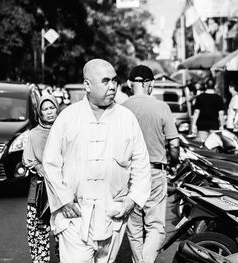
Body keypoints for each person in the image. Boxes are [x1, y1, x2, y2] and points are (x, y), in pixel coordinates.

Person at [42, 58, 151, 263]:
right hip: (75, 216)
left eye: (114, 81)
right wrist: (64, 199)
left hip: (113, 214)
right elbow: (51, 163)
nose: (112, 86)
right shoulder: (68, 118)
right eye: (105, 81)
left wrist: (132, 200)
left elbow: (141, 164)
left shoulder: (127, 119)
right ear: (87, 85)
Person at [122, 65, 179, 263]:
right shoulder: (162, 107)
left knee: (134, 228)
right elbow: (174, 144)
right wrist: (173, 161)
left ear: (130, 84)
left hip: (129, 174)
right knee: (155, 228)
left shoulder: (122, 109)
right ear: (150, 84)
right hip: (155, 172)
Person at [22, 94, 59, 263]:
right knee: (38, 232)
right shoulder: (33, 134)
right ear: (39, 113)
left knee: (64, 233)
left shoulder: (64, 130)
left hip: (62, 190)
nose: (49, 112)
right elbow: (28, 158)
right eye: (45, 109)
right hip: (39, 190)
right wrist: (37, 166)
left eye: (52, 108)